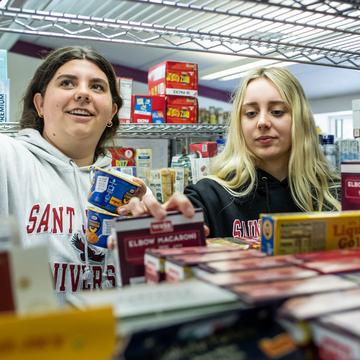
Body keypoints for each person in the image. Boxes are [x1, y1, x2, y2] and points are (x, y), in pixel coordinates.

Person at [0, 46, 174, 293]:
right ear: (40, 104)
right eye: (67, 83)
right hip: (35, 332)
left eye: (97, 87)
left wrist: (171, 236)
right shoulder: (8, 158)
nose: (83, 93)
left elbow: (155, 287)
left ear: (112, 113)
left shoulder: (132, 192)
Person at [181, 67, 341, 239]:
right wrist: (156, 219)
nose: (262, 122)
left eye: (277, 112)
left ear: (300, 120)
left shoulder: (335, 194)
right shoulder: (208, 196)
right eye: (251, 113)